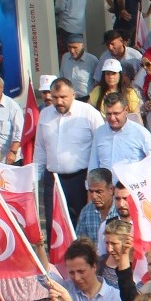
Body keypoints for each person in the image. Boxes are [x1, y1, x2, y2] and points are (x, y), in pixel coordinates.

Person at [37, 78, 105, 221]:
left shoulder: (89, 113)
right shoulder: (45, 114)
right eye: (55, 97)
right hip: (53, 179)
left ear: (73, 94)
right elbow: (40, 148)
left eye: (63, 97)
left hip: (81, 179)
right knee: (54, 224)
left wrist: (96, 177)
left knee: (82, 222)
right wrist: (35, 178)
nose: (59, 101)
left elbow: (101, 145)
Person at [90, 92, 151, 178]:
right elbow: (93, 164)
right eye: (108, 114)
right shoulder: (99, 133)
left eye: (116, 113)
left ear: (126, 110)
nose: (112, 118)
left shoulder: (141, 133)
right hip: (106, 189)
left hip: (131, 189)